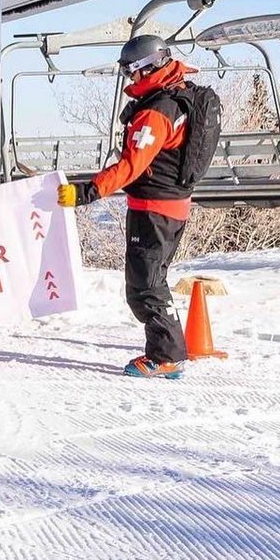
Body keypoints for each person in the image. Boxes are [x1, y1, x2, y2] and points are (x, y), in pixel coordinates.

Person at [56, 34, 220, 380]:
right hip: (170, 207)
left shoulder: (156, 113)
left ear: (147, 68)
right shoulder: (178, 97)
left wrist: (85, 193)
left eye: (132, 73)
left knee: (144, 287)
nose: (130, 80)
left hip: (154, 209)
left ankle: (167, 356)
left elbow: (131, 165)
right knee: (153, 280)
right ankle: (169, 350)